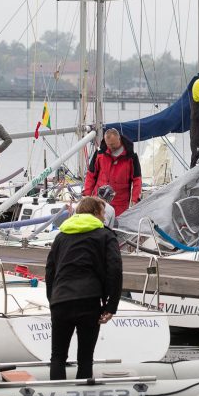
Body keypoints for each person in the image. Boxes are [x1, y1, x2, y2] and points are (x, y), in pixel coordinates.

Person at [45, 196, 121, 381]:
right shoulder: (105, 235)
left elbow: (50, 270)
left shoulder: (61, 236)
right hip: (89, 299)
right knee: (85, 358)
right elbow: (115, 270)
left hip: (61, 300)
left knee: (58, 356)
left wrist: (52, 298)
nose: (104, 218)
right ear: (95, 213)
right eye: (103, 213)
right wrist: (111, 306)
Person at [82, 128, 142, 216]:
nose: (111, 147)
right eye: (108, 144)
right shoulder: (99, 154)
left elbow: (137, 180)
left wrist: (135, 199)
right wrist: (86, 195)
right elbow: (91, 175)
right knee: (97, 224)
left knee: (116, 226)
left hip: (120, 203)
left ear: (119, 139)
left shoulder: (131, 157)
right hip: (99, 201)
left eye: (113, 144)